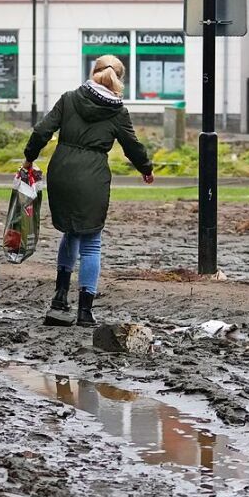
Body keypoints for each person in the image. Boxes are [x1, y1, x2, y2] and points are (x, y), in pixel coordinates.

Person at [23, 55, 154, 327]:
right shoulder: (118, 112)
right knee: (91, 241)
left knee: (71, 232)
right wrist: (146, 168)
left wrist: (29, 157)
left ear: (93, 72)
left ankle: (59, 300)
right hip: (92, 176)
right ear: (120, 79)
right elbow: (132, 146)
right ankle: (85, 311)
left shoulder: (69, 98)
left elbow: (41, 131)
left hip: (61, 172)